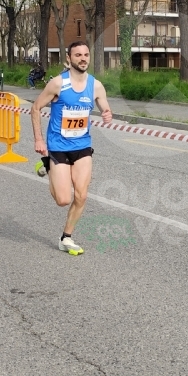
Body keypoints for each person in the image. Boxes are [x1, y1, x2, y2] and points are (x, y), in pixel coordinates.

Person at [30, 41, 113, 256]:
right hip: (57, 146)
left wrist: (106, 112)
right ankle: (48, 165)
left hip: (82, 145)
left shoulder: (95, 85)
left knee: (82, 195)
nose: (83, 58)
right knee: (63, 199)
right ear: (69, 58)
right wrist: (39, 140)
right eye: (78, 55)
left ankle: (66, 237)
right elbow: (36, 108)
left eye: (86, 54)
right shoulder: (58, 84)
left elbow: (104, 103)